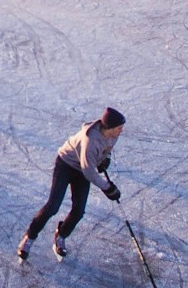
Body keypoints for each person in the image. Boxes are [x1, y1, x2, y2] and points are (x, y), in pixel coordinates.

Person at [19, 108, 125, 261]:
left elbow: (108, 148)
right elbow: (88, 171)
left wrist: (105, 159)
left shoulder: (113, 135)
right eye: (119, 128)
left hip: (82, 169)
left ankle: (61, 235)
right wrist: (108, 188)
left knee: (79, 211)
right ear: (109, 128)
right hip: (66, 165)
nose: (121, 131)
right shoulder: (90, 140)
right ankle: (29, 237)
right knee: (53, 206)